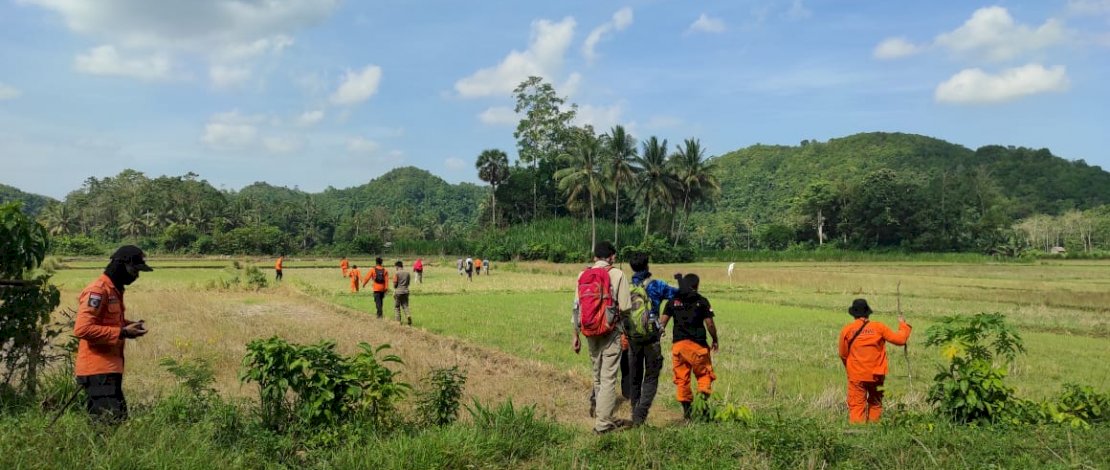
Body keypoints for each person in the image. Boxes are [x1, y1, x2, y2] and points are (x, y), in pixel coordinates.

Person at [74, 245, 152, 422]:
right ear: (121, 265)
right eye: (134, 269)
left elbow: (108, 323)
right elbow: (82, 329)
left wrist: (129, 325)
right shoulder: (98, 291)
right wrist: (123, 332)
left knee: (114, 421)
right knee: (110, 424)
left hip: (109, 368)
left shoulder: (114, 291)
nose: (136, 275)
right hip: (98, 369)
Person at [572, 241, 632, 434]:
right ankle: (603, 424)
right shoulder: (618, 274)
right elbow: (625, 308)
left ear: (595, 257)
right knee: (608, 378)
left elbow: (576, 307)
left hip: (588, 330)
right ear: (612, 257)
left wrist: (576, 334)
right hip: (610, 331)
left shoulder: (583, 275)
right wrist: (625, 331)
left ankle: (601, 416)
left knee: (597, 376)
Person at [624, 252, 680, 426]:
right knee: (651, 376)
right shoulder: (657, 285)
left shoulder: (626, 287)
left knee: (635, 376)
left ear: (632, 267)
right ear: (647, 266)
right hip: (651, 338)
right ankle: (640, 415)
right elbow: (678, 293)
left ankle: (635, 411)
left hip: (633, 338)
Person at [838, 298, 911, 424]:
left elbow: (843, 354)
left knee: (856, 405)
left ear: (854, 314)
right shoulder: (879, 327)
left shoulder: (847, 330)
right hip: (877, 374)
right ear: (867, 313)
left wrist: (850, 368)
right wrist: (903, 325)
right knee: (876, 403)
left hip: (856, 375)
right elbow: (900, 340)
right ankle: (874, 429)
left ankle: (857, 433)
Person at [659, 273, 719, 420]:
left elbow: (662, 323)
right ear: (697, 285)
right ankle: (703, 408)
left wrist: (657, 337)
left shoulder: (673, 301)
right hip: (698, 346)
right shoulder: (702, 300)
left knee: (682, 379)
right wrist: (715, 339)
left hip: (678, 347)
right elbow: (710, 324)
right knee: (704, 375)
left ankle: (687, 413)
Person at [393, 261, 412, 325]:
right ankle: (408, 315)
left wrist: (395, 287)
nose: (395, 268)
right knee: (405, 305)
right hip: (406, 291)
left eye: (395, 266)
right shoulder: (407, 273)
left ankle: (398, 321)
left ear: (397, 266)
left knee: (397, 306)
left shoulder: (396, 273)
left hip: (398, 292)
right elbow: (408, 283)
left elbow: (395, 283)